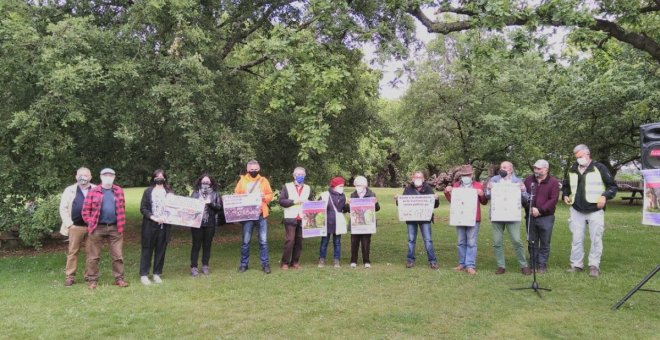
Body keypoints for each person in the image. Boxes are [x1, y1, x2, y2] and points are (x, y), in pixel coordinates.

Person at [562, 144, 617, 278]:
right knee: (576, 239)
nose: (579, 159)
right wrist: (564, 194)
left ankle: (594, 266)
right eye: (577, 157)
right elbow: (566, 186)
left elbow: (612, 186)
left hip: (595, 209)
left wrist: (604, 196)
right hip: (576, 209)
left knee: (596, 239)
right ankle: (576, 265)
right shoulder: (573, 169)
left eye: (581, 156)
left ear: (588, 154)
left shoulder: (600, 168)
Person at [82, 168, 128, 289]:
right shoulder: (93, 191)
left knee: (117, 256)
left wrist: (121, 223)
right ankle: (92, 280)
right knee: (93, 256)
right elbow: (85, 211)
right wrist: (91, 222)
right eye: (106, 175)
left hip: (115, 227)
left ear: (114, 177)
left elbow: (122, 207)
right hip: (97, 228)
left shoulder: (118, 190)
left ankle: (119, 279)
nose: (108, 177)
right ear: (101, 177)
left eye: (111, 175)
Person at [485, 161, 532, 275]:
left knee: (516, 240)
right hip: (497, 215)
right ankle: (501, 266)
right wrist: (488, 189)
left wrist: (523, 190)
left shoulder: (518, 181)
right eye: (501, 167)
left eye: (505, 167)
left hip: (512, 216)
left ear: (511, 169)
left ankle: (523, 265)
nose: (502, 169)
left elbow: (526, 199)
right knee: (497, 242)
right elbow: (487, 195)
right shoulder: (494, 180)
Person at [443, 165, 488, 275]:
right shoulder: (456, 185)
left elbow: (484, 202)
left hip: (473, 218)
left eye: (467, 175)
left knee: (472, 242)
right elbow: (452, 201)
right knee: (461, 242)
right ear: (461, 176)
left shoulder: (478, 185)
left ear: (471, 175)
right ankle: (462, 263)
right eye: (463, 175)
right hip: (460, 217)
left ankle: (470, 265)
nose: (465, 177)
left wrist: (482, 195)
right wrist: (447, 192)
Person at [235, 160, 274, 274]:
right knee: (246, 241)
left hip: (261, 214)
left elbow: (270, 194)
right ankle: (243, 264)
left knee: (263, 241)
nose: (254, 171)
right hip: (247, 215)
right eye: (252, 169)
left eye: (256, 169)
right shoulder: (242, 181)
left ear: (259, 169)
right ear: (247, 170)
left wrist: (264, 197)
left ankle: (265, 265)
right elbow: (236, 194)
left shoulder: (263, 180)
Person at [59, 167, 96, 286]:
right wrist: (69, 224)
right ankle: (70, 276)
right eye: (80, 175)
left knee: (91, 253)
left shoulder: (96, 189)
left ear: (90, 177)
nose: (83, 177)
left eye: (86, 175)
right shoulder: (69, 190)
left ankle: (89, 275)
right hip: (75, 227)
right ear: (76, 177)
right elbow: (63, 208)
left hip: (92, 227)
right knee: (73, 252)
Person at [523, 160, 560, 274]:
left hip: (546, 217)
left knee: (544, 242)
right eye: (535, 168)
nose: (536, 170)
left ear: (546, 169)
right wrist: (529, 207)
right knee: (532, 241)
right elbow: (523, 196)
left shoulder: (553, 182)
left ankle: (542, 264)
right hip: (530, 216)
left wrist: (540, 210)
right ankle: (533, 263)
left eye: (539, 168)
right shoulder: (528, 180)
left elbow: (553, 200)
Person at [399, 171, 440, 270]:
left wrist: (436, 199)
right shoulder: (408, 189)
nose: (418, 178)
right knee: (411, 240)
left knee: (428, 240)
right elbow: (402, 204)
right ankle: (410, 260)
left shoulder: (428, 189)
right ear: (412, 179)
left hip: (425, 219)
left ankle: (432, 261)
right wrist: (398, 199)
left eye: (420, 177)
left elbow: (435, 205)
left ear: (423, 179)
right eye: (416, 177)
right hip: (411, 219)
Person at [139, 169, 173, 285]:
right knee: (147, 249)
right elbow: (143, 208)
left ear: (165, 178)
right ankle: (144, 274)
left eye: (161, 176)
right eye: (157, 176)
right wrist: (152, 217)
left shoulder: (169, 192)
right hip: (150, 225)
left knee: (161, 250)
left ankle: (157, 273)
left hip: (164, 226)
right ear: (153, 178)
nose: (159, 178)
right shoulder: (148, 191)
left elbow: (174, 208)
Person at [278, 167, 312, 270]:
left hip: (303, 218)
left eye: (302, 174)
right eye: (298, 174)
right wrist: (293, 202)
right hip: (290, 217)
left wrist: (310, 203)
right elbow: (281, 201)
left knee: (299, 241)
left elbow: (310, 201)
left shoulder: (308, 188)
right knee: (290, 240)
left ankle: (295, 262)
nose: (300, 176)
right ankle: (285, 262)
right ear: (293, 175)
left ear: (305, 175)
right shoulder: (287, 186)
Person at [190, 173, 223, 277]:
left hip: (210, 223)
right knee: (196, 245)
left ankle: (205, 265)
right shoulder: (195, 193)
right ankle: (194, 267)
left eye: (207, 182)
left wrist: (210, 203)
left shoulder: (215, 194)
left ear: (211, 183)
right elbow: (189, 207)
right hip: (197, 223)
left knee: (207, 245)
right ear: (200, 182)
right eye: (203, 182)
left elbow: (219, 207)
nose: (205, 183)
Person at [347, 176, 380, 268]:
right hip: (356, 222)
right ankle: (353, 260)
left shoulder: (371, 194)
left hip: (367, 223)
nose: (358, 187)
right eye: (356, 185)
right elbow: (348, 210)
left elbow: (377, 208)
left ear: (365, 185)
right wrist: (348, 204)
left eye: (360, 185)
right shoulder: (353, 195)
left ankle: (366, 261)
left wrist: (376, 202)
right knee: (354, 242)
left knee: (366, 242)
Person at [318, 176, 349, 268]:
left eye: (343, 186)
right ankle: (322, 259)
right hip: (327, 222)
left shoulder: (343, 196)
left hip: (338, 223)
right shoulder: (325, 195)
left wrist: (348, 205)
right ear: (334, 186)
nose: (342, 188)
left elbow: (344, 209)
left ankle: (336, 260)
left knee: (337, 242)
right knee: (324, 242)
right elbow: (318, 207)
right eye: (340, 186)